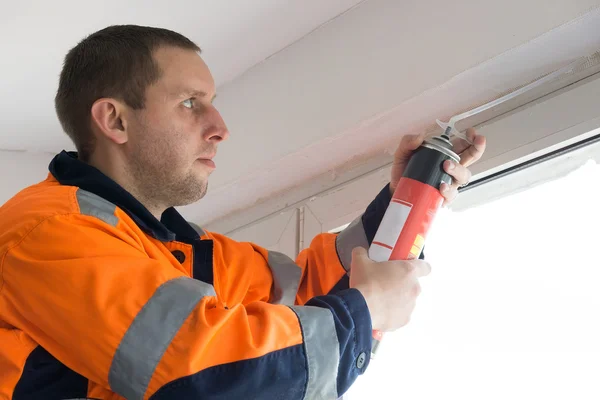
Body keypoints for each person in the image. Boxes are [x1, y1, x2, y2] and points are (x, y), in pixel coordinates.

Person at [0, 25, 486, 400]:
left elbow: (309, 300)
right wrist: (368, 308)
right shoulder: (47, 233)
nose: (220, 127)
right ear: (115, 120)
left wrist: (406, 201)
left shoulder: (182, 252)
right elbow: (206, 373)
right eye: (191, 103)